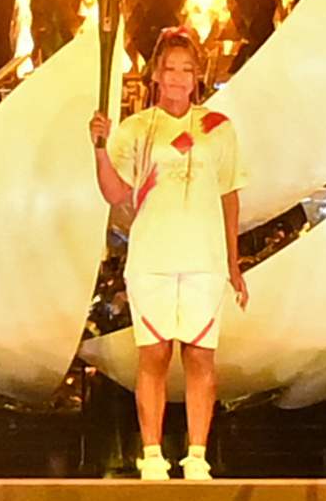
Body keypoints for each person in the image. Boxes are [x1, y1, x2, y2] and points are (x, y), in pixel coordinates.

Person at [94, 26, 246, 478]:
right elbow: (115, 192)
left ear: (196, 76)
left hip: (204, 257)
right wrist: (100, 149)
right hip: (152, 257)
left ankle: (197, 455)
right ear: (156, 75)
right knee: (154, 355)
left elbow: (229, 195)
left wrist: (234, 263)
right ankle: (153, 455)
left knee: (200, 356)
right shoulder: (137, 130)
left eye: (186, 70)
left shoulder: (218, 128)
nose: (178, 78)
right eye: (169, 69)